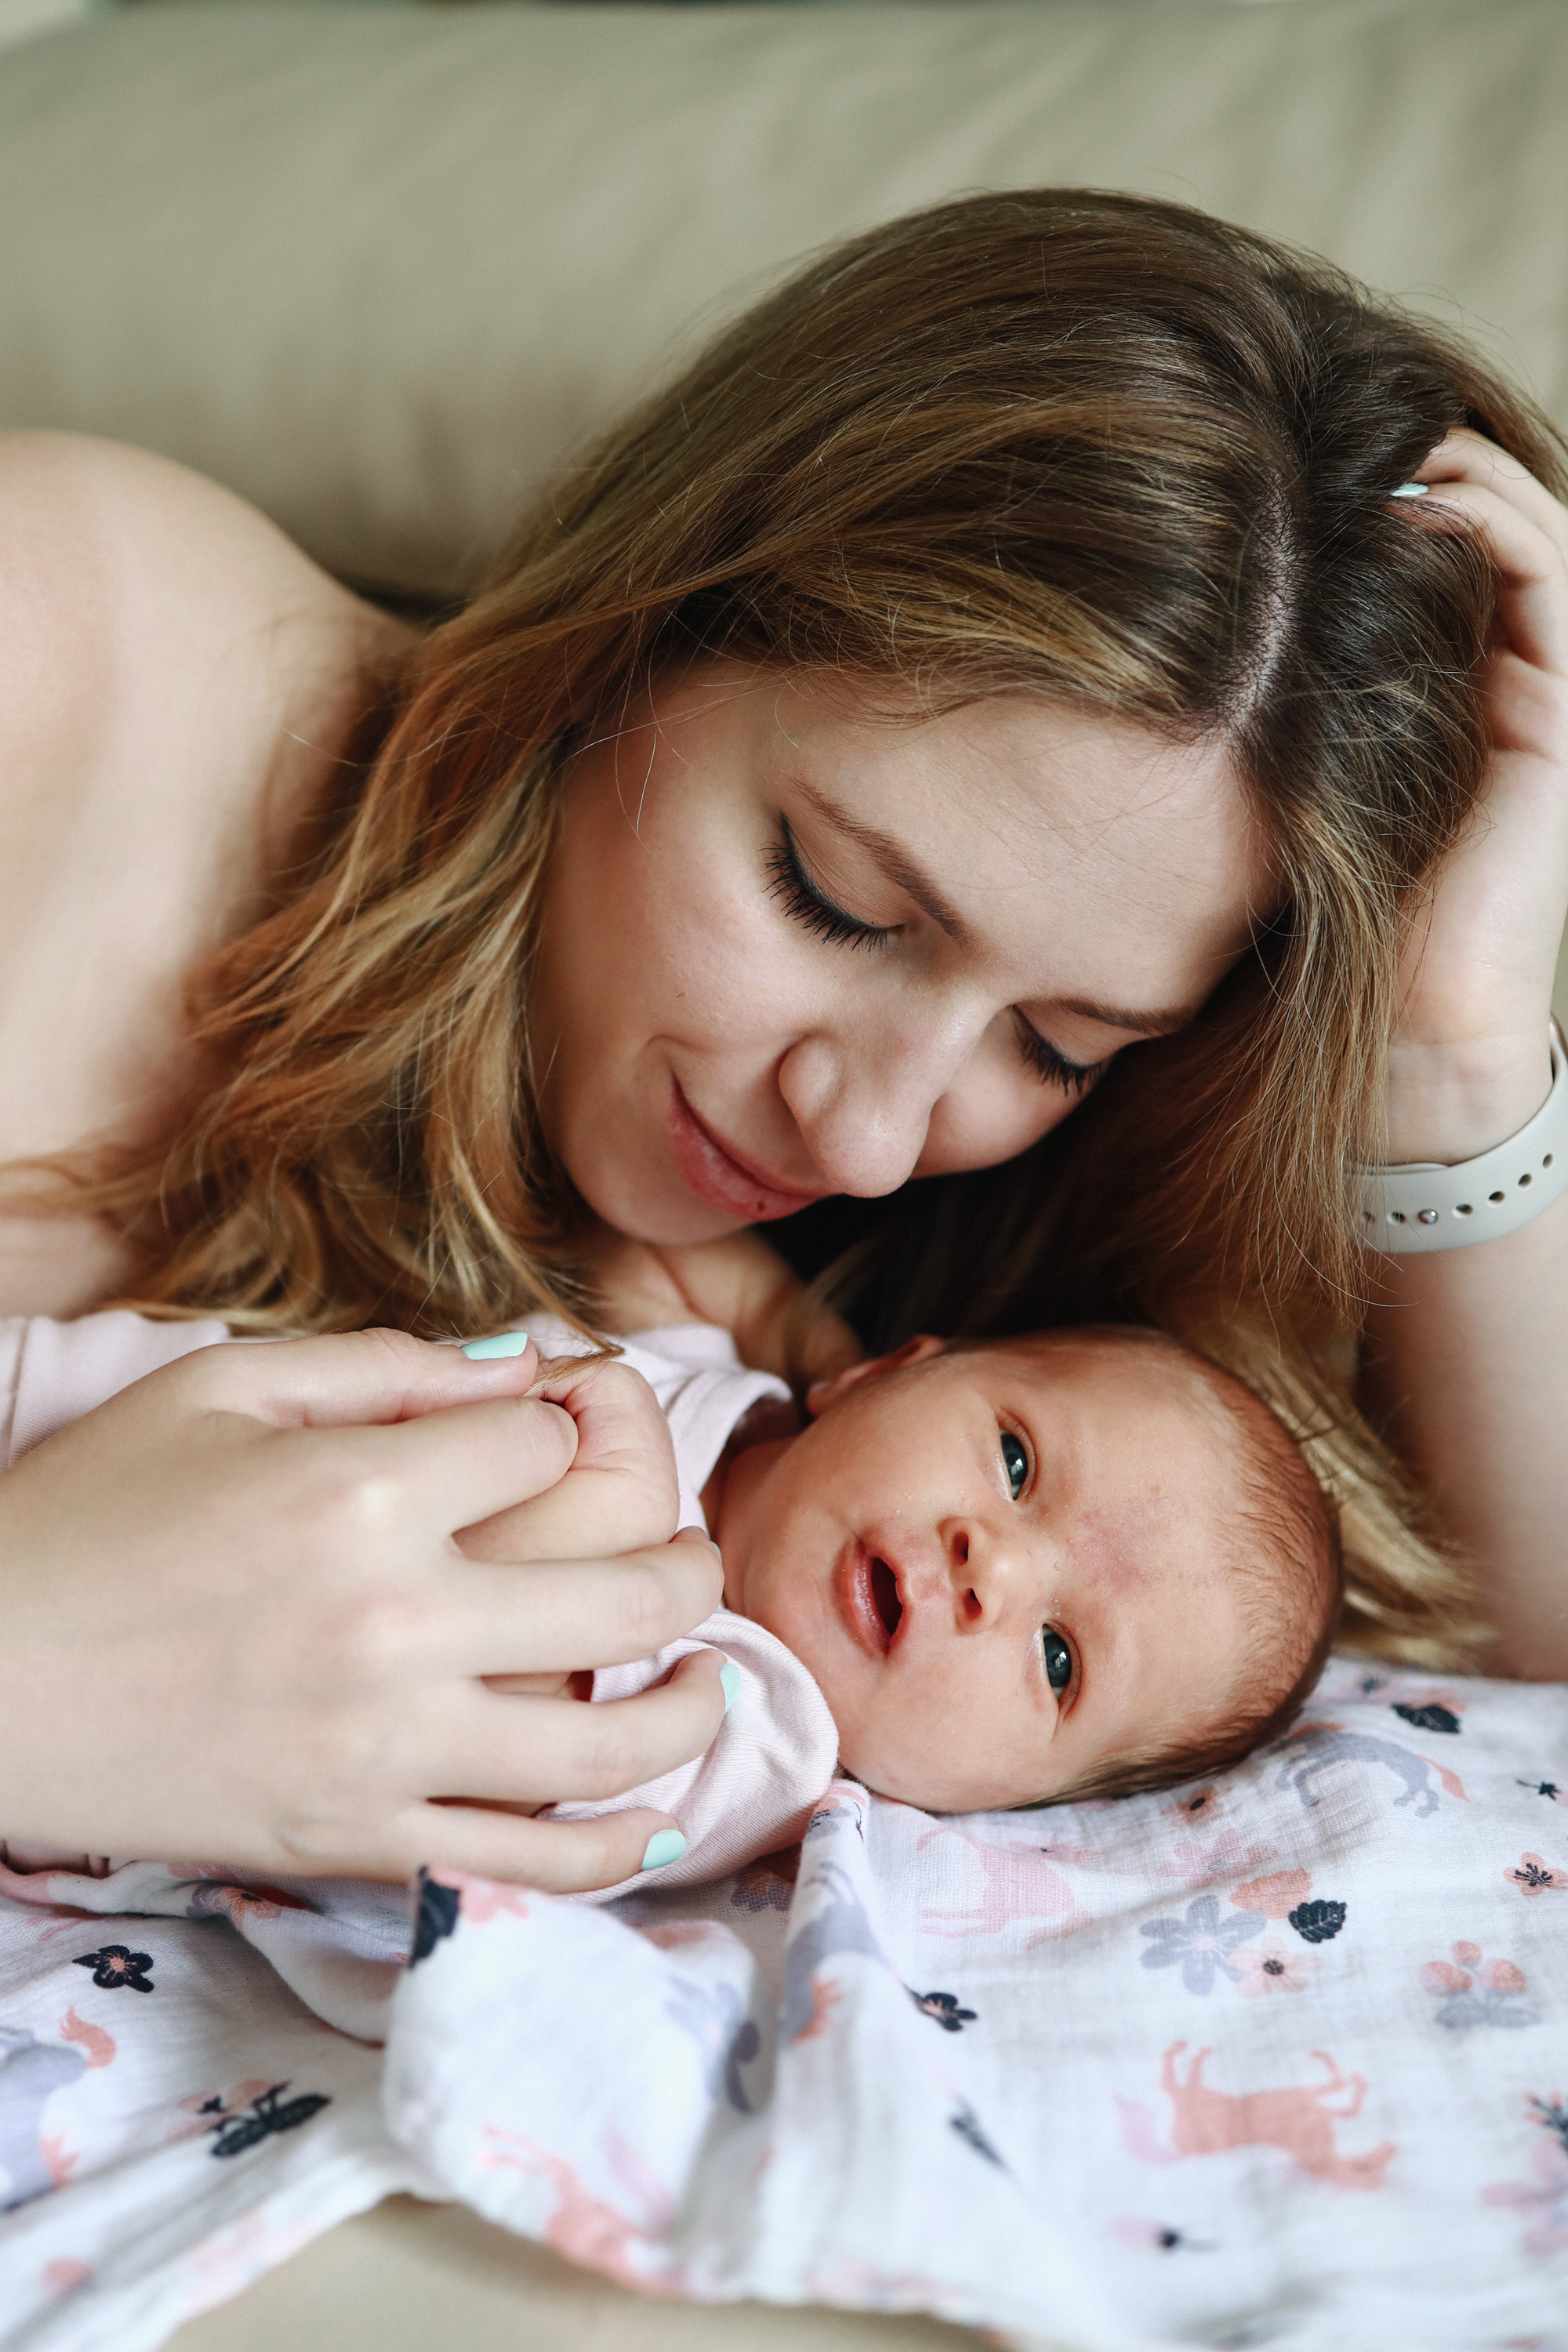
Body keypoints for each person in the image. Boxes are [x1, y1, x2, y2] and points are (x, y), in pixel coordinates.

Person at [2, 189, 1566, 1893]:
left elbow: (1514, 1677)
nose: (866, 1143)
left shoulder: (894, 1376)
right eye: (833, 898)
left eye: (1058, 1045)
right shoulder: (63, 656)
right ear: (650, 623)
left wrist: (1449, 1055)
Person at [0, 1299, 1341, 1885]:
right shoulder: (707, 1370)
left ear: (1010, 1801)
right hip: (76, 1406)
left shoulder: (756, 1728)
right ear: (882, 1371)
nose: (995, 1568)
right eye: (1016, 1461)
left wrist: (579, 1514)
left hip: (103, 1735)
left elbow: (495, 1750)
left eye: (1059, 1661)